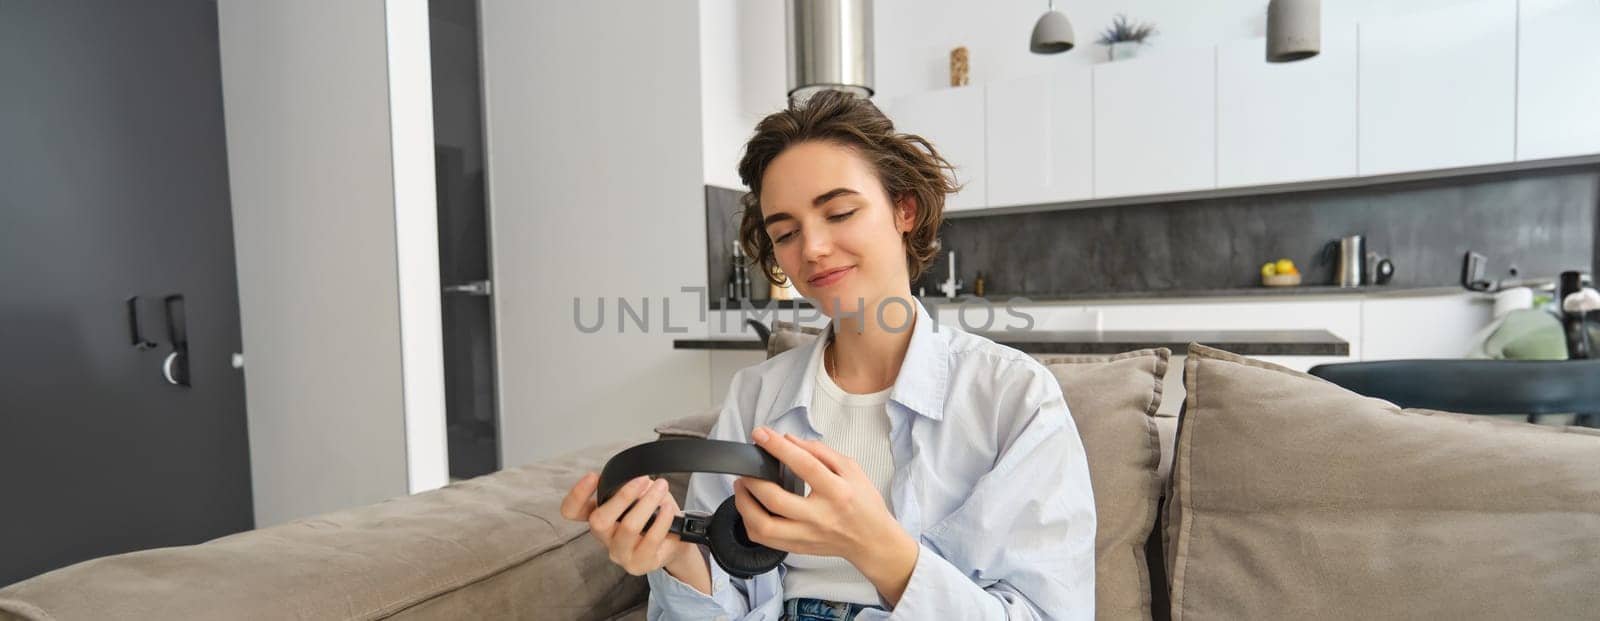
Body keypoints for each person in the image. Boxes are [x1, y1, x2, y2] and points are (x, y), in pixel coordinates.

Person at [560, 90, 1096, 620]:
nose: (811, 248)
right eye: (786, 232)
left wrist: (876, 547)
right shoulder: (757, 394)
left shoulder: (1014, 397)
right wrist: (677, 556)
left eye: (838, 212)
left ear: (904, 208)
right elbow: (719, 599)